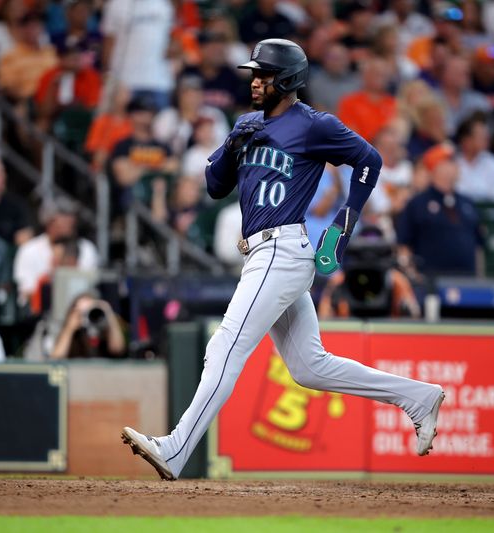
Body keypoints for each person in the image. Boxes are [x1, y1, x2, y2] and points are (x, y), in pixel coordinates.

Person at [120, 39, 444, 481]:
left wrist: (343, 224)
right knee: (310, 366)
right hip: (262, 251)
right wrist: (232, 144)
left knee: (225, 344)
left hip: (283, 249)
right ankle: (418, 397)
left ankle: (176, 449)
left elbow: (369, 160)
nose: (255, 81)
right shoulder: (247, 123)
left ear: (288, 80)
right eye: (254, 74)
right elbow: (215, 187)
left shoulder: (313, 126)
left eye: (264, 75)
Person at [397, 143, 484, 277]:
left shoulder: (467, 203)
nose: (455, 166)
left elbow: (477, 246)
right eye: (449, 162)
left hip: (467, 281)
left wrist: (480, 278)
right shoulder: (418, 203)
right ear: (436, 167)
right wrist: (412, 275)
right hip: (430, 281)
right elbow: (404, 245)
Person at [455, 113, 494, 204]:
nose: (486, 139)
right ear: (466, 140)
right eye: (480, 136)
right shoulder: (451, 162)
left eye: (486, 135)